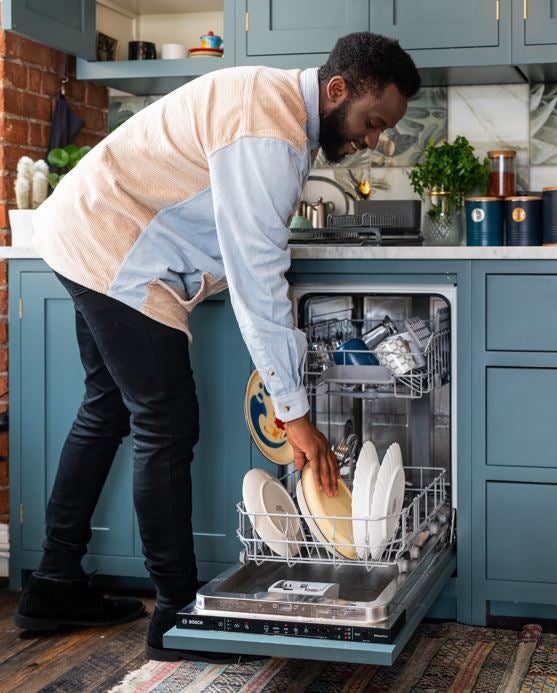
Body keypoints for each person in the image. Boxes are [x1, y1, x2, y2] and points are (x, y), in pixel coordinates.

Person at [14, 32, 421, 661]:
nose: (372, 141)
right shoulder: (271, 130)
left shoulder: (275, 107)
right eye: (372, 123)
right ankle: (178, 615)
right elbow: (258, 281)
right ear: (337, 90)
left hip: (88, 229)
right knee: (166, 422)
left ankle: (54, 585)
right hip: (116, 246)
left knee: (108, 408)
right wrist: (295, 415)